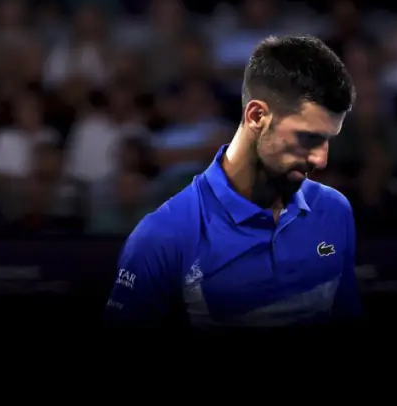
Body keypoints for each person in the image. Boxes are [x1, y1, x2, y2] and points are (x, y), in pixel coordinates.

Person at [104, 35, 359, 328]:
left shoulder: (335, 210)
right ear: (256, 116)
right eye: (308, 137)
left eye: (327, 139)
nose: (320, 160)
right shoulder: (162, 234)